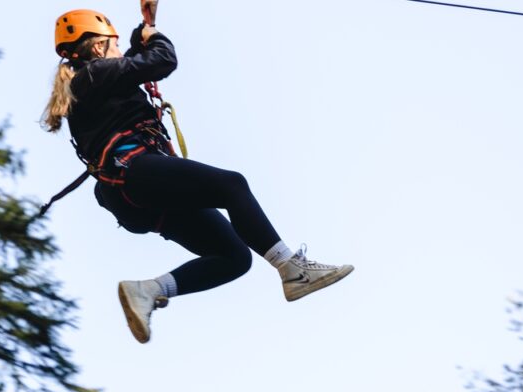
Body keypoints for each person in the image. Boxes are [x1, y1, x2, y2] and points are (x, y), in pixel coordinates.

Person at [42, 9, 353, 344]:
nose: (119, 51)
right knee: (232, 185)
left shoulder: (93, 78)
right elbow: (161, 61)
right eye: (113, 45)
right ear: (98, 48)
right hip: (135, 172)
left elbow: (132, 62)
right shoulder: (94, 74)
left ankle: (148, 291)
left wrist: (143, 30)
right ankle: (292, 270)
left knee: (234, 257)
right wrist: (154, 38)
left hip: (131, 191)